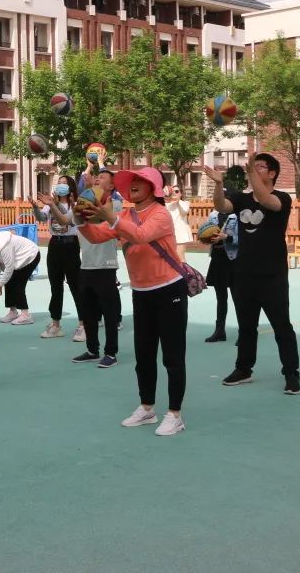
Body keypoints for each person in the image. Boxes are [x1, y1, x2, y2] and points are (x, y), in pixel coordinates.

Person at [78, 166, 188, 436]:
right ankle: (147, 408)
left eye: (142, 180)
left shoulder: (160, 214)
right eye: (133, 181)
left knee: (173, 356)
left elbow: (139, 235)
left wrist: (110, 218)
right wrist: (81, 218)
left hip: (169, 289)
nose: (135, 184)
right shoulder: (125, 214)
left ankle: (175, 414)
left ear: (154, 187)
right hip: (141, 292)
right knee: (144, 354)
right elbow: (96, 235)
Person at [204, 153, 300, 395]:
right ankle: (244, 369)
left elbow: (267, 201)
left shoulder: (281, 198)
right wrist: (218, 184)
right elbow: (220, 205)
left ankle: (291, 373)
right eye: (252, 166)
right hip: (244, 273)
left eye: (260, 167)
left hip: (272, 274)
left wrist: (250, 174)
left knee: (282, 326)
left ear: (272, 174)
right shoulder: (241, 198)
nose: (254, 170)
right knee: (246, 326)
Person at [72, 171, 123, 367]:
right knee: (88, 313)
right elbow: (68, 221)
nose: (96, 179)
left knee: (109, 314)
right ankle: (92, 350)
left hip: (106, 266)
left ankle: (111, 353)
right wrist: (53, 205)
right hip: (86, 266)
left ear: (111, 186)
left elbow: (101, 220)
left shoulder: (115, 206)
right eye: (96, 177)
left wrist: (86, 203)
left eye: (101, 178)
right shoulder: (85, 204)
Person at [32, 175, 83, 339]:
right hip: (55, 244)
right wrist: (35, 207)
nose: (61, 186)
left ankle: (83, 324)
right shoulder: (50, 203)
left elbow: (67, 221)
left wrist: (53, 204)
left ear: (70, 187)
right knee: (55, 286)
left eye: (64, 183)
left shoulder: (75, 204)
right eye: (59, 183)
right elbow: (42, 218)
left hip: (71, 244)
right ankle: (55, 325)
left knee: (76, 285)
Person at [203, 164, 243, 343]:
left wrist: (227, 237)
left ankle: (245, 331)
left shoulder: (239, 215)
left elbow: (242, 239)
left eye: (225, 196)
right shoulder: (213, 215)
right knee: (221, 298)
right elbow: (205, 232)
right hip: (218, 258)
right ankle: (220, 330)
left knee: (238, 298)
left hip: (233, 259)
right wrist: (205, 238)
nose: (222, 198)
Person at [0, 229, 41, 325]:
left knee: (17, 283)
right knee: (8, 281)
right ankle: (13, 312)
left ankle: (25, 315)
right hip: (18, 260)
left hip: (30, 255)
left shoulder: (3, 245)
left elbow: (9, 268)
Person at [166, 184, 192, 262]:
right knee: (170, 259)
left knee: (180, 258)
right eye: (172, 191)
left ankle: (186, 274)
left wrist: (177, 202)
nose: (174, 193)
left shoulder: (185, 203)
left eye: (177, 191)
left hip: (181, 234)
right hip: (169, 234)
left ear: (181, 193)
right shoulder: (166, 205)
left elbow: (184, 212)